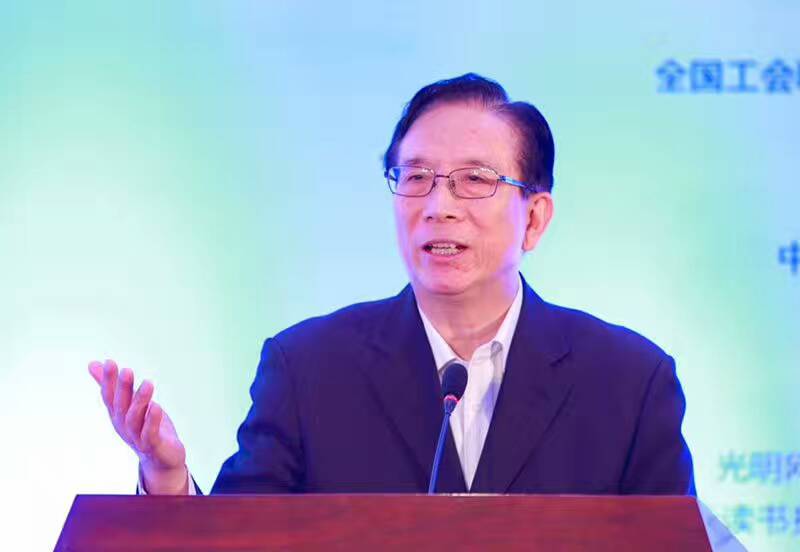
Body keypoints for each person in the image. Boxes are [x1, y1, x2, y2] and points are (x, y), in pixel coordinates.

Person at [88, 73, 695, 496]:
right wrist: (166, 479)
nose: (439, 206)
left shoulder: (628, 380)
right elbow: (236, 541)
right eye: (416, 177)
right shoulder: (308, 368)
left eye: (475, 180)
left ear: (534, 218)